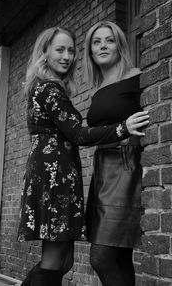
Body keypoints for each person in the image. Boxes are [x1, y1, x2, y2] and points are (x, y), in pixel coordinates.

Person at [17, 26, 149, 286]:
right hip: (54, 181)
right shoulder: (49, 90)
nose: (66, 56)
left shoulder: (53, 88)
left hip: (81, 175)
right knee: (60, 261)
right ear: (44, 53)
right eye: (59, 49)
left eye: (70, 50)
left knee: (66, 261)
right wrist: (122, 128)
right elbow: (78, 133)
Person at [83, 21, 148, 286]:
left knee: (101, 257)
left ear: (120, 44)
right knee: (120, 256)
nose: (103, 46)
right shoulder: (97, 87)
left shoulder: (136, 76)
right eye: (96, 42)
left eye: (109, 40)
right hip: (103, 171)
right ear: (90, 50)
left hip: (126, 165)